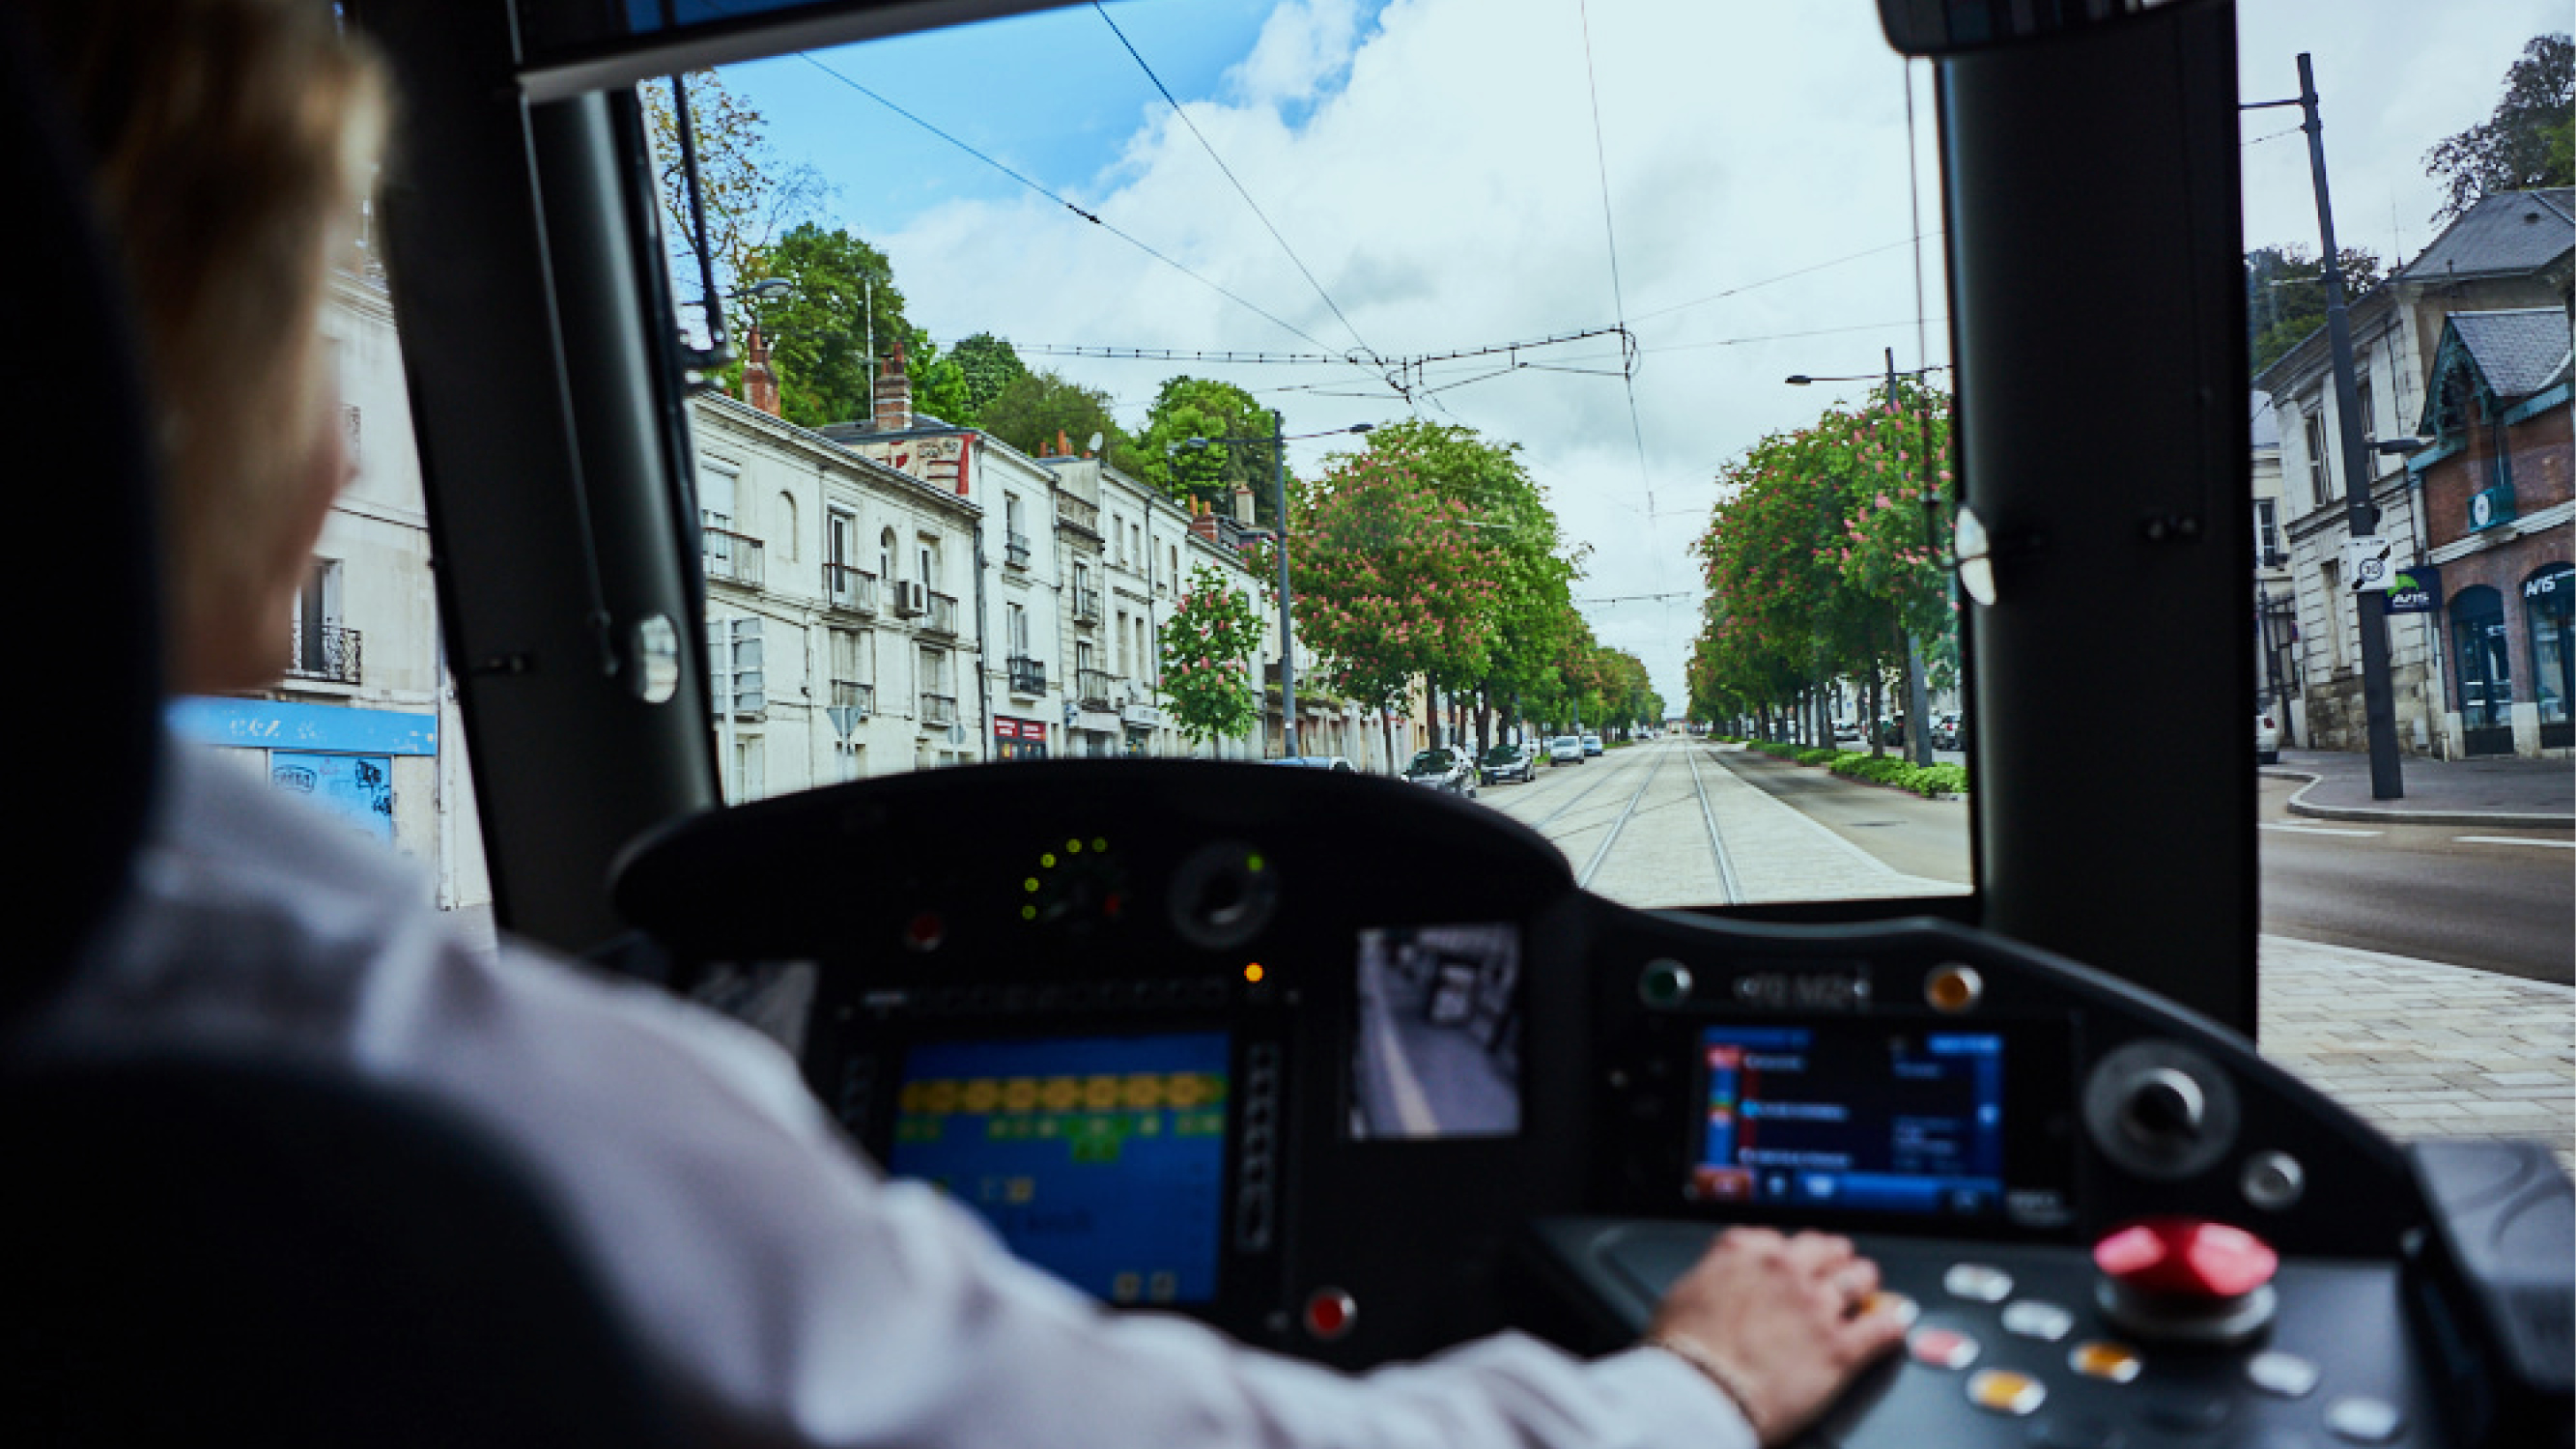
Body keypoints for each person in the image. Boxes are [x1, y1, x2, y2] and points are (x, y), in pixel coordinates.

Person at [16, 1, 1905, 1445]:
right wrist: (1686, 1388)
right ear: (129, 383)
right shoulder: (380, 1051)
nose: (349, 433)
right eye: (298, 332)